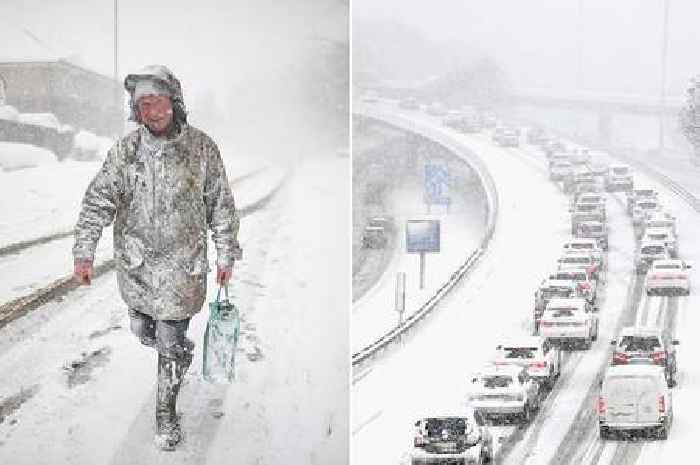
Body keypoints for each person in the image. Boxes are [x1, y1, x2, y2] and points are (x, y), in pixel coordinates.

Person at [72, 65, 242, 450]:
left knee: (168, 339)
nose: (152, 110)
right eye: (144, 104)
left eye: (158, 101)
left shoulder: (201, 149)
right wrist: (85, 252)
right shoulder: (126, 152)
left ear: (175, 102)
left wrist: (226, 254)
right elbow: (98, 200)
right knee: (143, 331)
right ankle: (175, 350)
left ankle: (166, 414)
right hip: (138, 269)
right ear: (137, 110)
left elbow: (221, 205)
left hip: (183, 269)